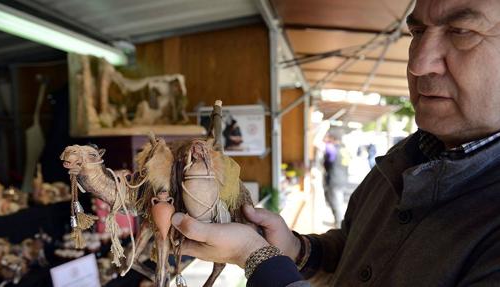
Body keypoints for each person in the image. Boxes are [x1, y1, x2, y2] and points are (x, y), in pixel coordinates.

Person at [170, 0, 500, 286]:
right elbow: (354, 255)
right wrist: (295, 251)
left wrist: (257, 259)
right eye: (417, 33)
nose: (417, 63)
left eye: (462, 31)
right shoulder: (403, 161)